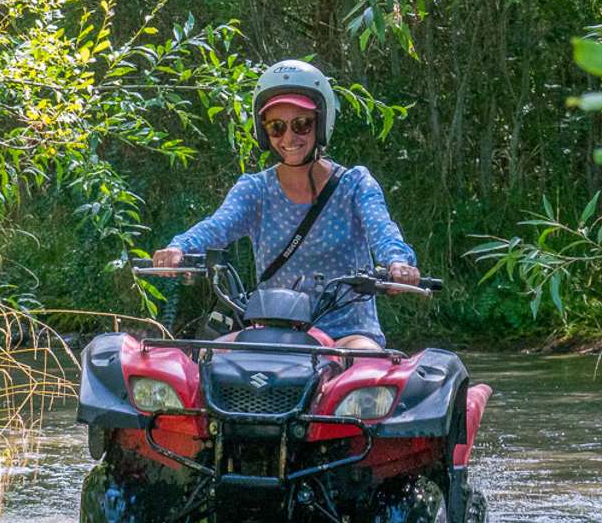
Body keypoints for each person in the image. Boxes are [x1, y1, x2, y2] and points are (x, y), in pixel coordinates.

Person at [152, 59, 420, 350]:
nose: (289, 137)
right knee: (206, 359)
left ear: (320, 123)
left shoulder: (355, 185)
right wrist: (179, 248)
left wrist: (398, 263)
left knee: (366, 364)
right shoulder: (255, 190)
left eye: (302, 124)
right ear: (264, 131)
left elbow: (382, 230)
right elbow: (217, 226)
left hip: (347, 332)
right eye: (277, 127)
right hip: (274, 331)